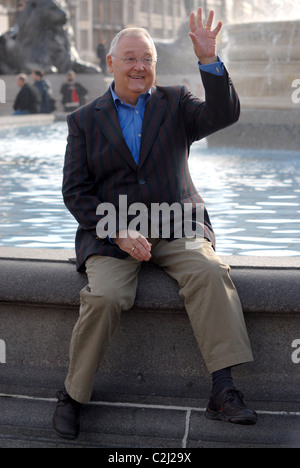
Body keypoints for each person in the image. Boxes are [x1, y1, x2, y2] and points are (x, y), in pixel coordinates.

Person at [53, 8, 257, 440]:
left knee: (210, 271)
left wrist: (209, 61)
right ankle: (73, 396)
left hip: (177, 225)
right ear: (111, 64)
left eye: (146, 58)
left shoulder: (177, 101)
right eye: (130, 58)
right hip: (113, 234)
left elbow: (225, 115)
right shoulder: (84, 120)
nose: (140, 66)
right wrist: (117, 230)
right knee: (105, 297)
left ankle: (224, 390)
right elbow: (76, 192)